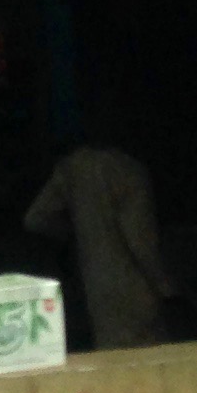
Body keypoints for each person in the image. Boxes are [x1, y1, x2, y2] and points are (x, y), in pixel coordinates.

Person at [24, 142, 174, 350]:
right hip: (135, 284)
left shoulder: (73, 167)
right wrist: (165, 288)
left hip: (94, 285)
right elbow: (140, 240)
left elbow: (35, 218)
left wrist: (72, 233)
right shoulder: (129, 171)